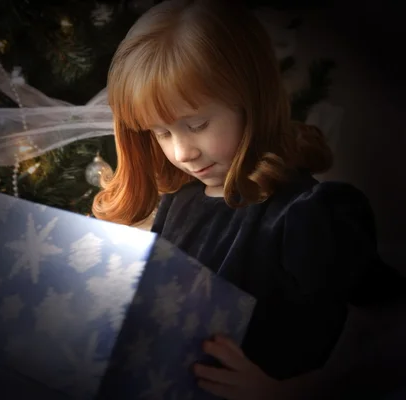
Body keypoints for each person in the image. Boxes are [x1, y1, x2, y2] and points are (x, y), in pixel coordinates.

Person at [92, 0, 405, 398]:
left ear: (251, 100)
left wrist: (292, 392)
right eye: (160, 132)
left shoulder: (310, 214)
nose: (181, 152)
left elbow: (391, 328)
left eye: (198, 124)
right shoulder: (180, 202)